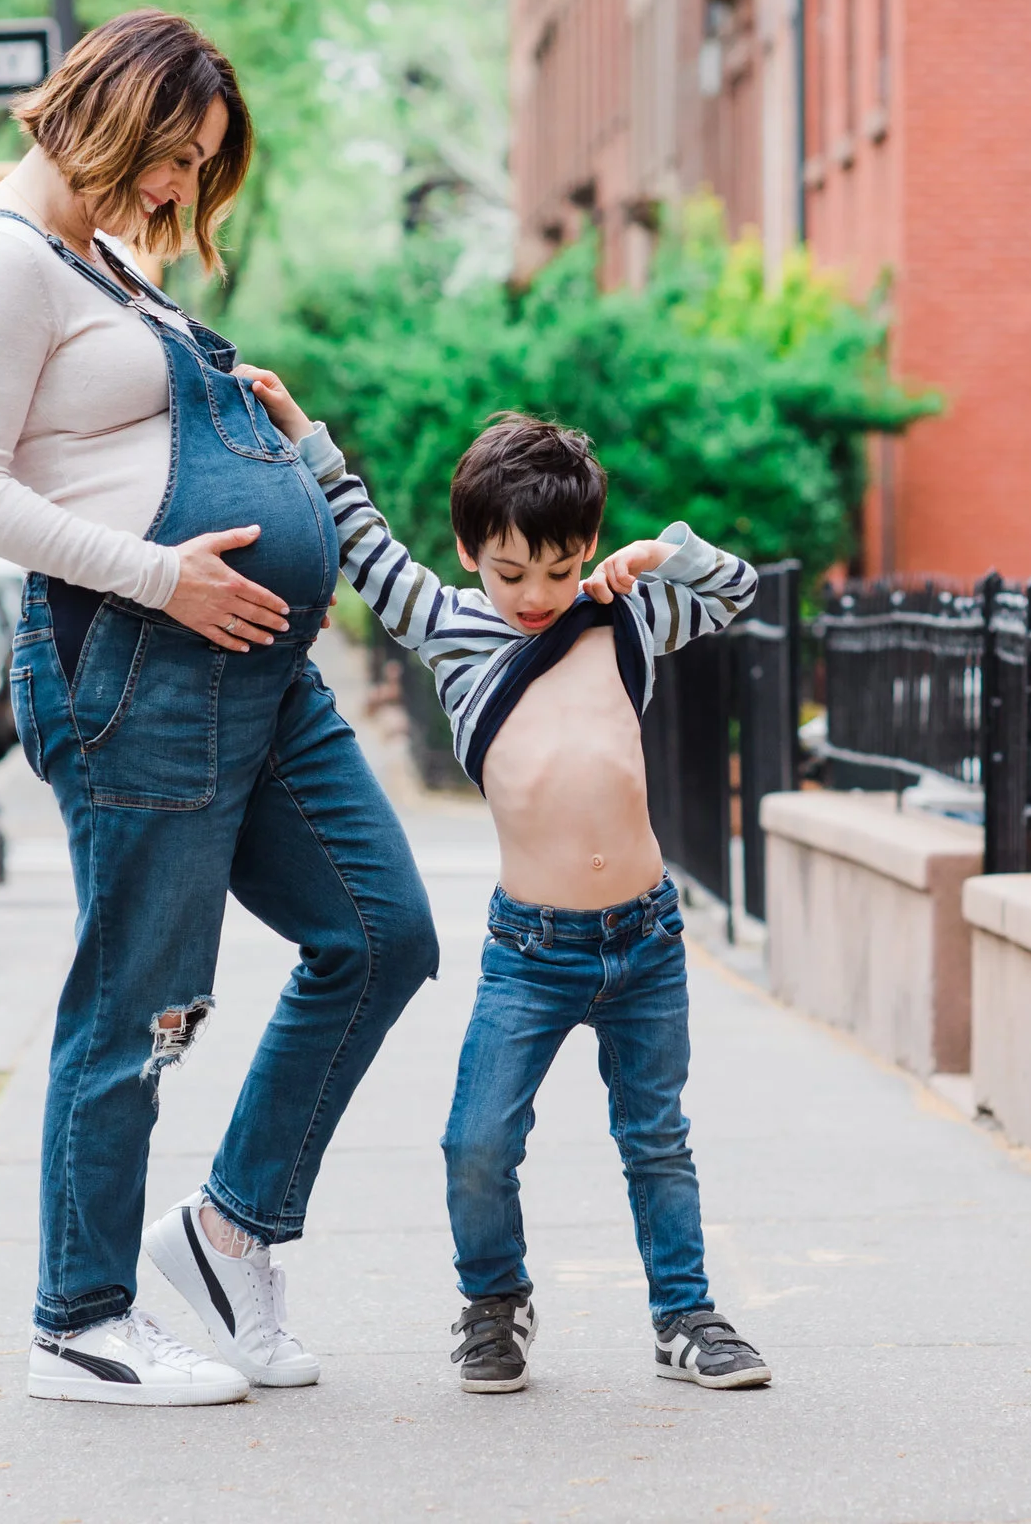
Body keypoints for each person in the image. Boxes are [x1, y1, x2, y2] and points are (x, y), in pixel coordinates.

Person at [0, 9, 439, 1408]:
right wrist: (162, 577)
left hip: (261, 676)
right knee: (139, 1001)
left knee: (382, 933)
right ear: (110, 113)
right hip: (139, 672)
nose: (177, 192)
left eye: (198, 168)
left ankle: (227, 1234)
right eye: (171, 158)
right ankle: (80, 1322)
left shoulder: (109, 266)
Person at [237, 373, 776, 1396]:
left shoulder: (626, 615)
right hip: (532, 946)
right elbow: (362, 541)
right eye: (511, 570)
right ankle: (494, 1300)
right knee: (476, 1138)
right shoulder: (451, 626)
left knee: (654, 1134)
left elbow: (738, 594)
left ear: (587, 549)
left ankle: (685, 1312)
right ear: (471, 553)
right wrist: (306, 435)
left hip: (647, 936)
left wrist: (668, 553)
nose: (535, 594)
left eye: (560, 568)